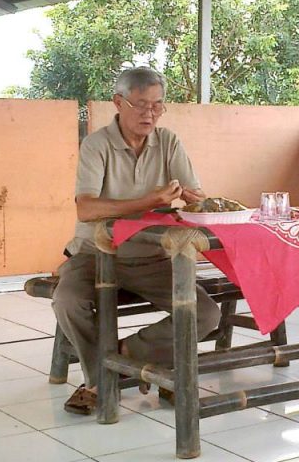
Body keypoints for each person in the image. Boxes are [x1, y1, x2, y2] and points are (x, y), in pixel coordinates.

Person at [53, 66, 221, 415]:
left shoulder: (168, 141)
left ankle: (122, 356)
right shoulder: (97, 144)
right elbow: (86, 209)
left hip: (150, 253)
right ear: (119, 102)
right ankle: (101, 376)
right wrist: (151, 201)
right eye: (141, 104)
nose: (150, 114)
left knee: (206, 314)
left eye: (157, 105)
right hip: (97, 251)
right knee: (68, 301)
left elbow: (197, 195)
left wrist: (194, 197)